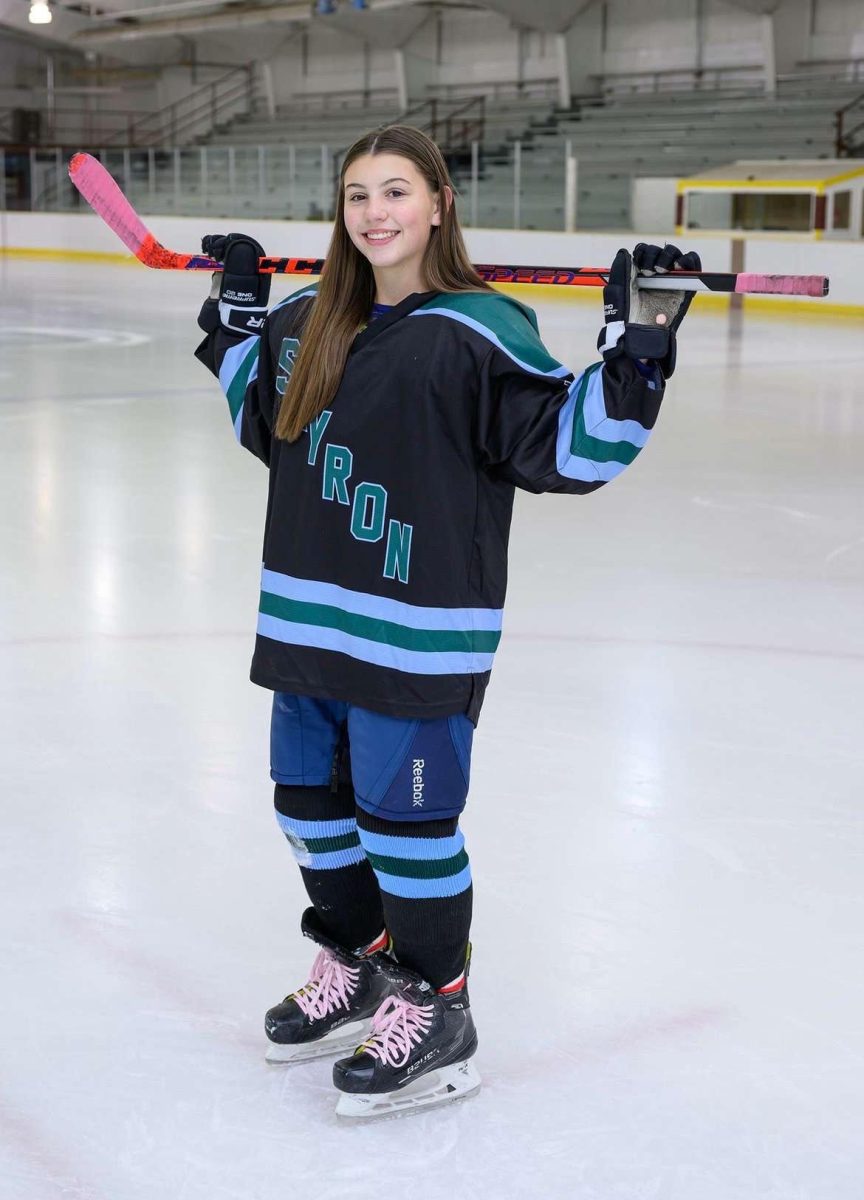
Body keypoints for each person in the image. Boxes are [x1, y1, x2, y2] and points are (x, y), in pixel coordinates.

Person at [194, 123, 700, 1120]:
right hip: (304, 625)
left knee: (407, 836)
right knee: (309, 814)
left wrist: (636, 361)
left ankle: (441, 1008)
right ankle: (362, 966)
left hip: (416, 634)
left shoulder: (482, 329)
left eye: (394, 192)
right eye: (355, 196)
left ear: (437, 205)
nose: (374, 213)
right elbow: (267, 426)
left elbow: (567, 451)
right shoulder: (305, 322)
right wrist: (234, 326)